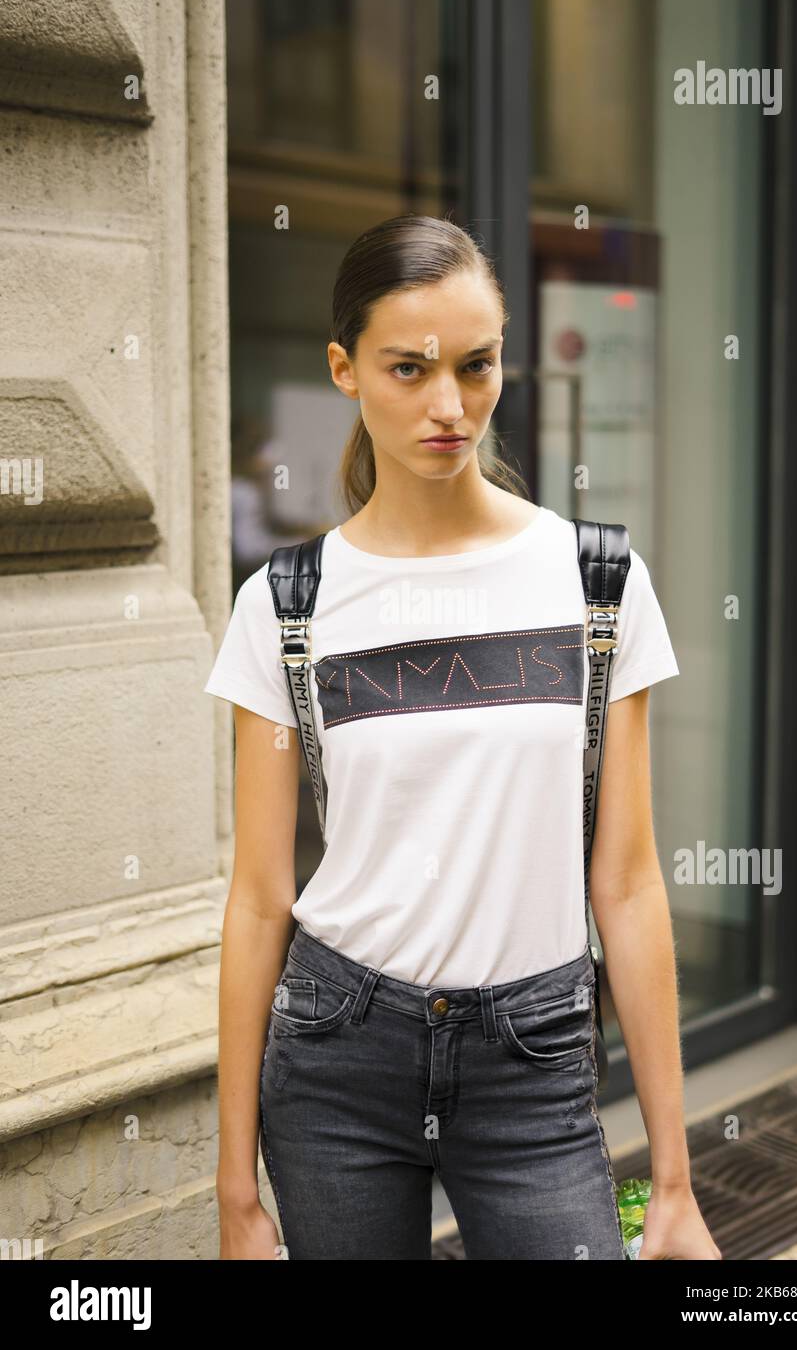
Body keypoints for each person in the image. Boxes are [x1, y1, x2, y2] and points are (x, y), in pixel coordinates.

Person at [204, 213, 722, 1261]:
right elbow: (259, 896)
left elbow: (623, 882)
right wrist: (233, 1195)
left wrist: (670, 1180)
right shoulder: (285, 605)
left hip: (532, 1058)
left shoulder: (598, 584)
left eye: (476, 365)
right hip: (337, 1055)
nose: (450, 406)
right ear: (344, 370)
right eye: (409, 368)